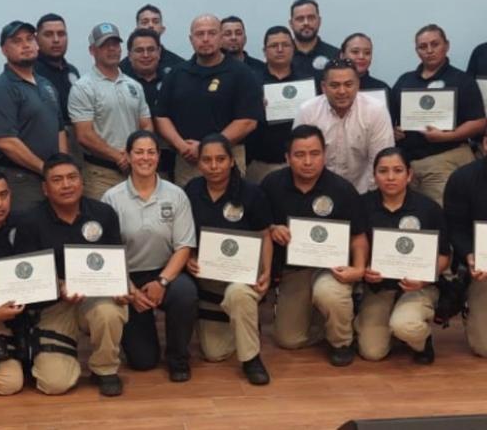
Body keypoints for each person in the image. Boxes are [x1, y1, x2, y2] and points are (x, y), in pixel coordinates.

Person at [0, 170, 80, 395]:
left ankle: (37, 353)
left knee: (55, 383)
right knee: (9, 385)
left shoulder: (25, 222)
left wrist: (60, 285)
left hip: (36, 310)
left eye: (4, 195)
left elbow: (45, 265)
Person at [15, 154, 128, 396]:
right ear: (45, 189)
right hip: (53, 305)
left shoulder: (104, 213)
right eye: (57, 180)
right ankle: (62, 353)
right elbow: (26, 277)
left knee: (109, 312)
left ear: (82, 181)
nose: (66, 185)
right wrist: (58, 285)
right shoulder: (28, 221)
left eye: (72, 178)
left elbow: (115, 262)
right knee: (55, 384)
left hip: (96, 296)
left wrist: (122, 287)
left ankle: (104, 368)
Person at [260, 125, 367, 366]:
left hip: (332, 269)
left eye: (315, 153)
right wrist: (272, 228)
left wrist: (358, 269)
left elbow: (358, 237)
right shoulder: (271, 184)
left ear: (324, 154)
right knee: (288, 339)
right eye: (300, 155)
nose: (308, 161)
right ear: (287, 158)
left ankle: (342, 340)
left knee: (328, 294)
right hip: (293, 270)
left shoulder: (342, 189)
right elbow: (259, 226)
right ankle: (330, 321)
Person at [102, 130, 197, 381]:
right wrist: (130, 291)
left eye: (151, 152)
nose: (146, 158)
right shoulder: (111, 198)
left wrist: (163, 281)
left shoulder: (176, 195)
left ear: (158, 156)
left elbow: (184, 247)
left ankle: (178, 357)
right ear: (128, 156)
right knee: (143, 362)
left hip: (167, 271)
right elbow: (108, 254)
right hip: (127, 276)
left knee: (186, 293)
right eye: (139, 152)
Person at [183, 133, 272, 385]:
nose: (213, 166)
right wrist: (189, 255)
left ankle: (251, 359)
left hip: (242, 276)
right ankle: (242, 321)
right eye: (207, 160)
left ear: (232, 161)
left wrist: (265, 270)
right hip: (207, 278)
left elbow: (265, 235)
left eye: (220, 159)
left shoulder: (251, 192)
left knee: (239, 296)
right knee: (214, 353)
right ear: (199, 163)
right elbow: (184, 233)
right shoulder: (191, 190)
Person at [356, 147, 448, 363]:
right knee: (372, 352)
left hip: (419, 287)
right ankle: (385, 326)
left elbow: (445, 255)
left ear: (409, 175)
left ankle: (420, 341)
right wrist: (365, 271)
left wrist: (424, 278)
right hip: (379, 288)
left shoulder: (429, 209)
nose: (390, 177)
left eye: (397, 171)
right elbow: (355, 246)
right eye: (383, 171)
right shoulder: (361, 205)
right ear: (374, 175)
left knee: (405, 326)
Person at [155, 14, 261, 185]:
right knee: (188, 209)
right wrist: (181, 146)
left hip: (227, 157)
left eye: (211, 33)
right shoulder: (177, 73)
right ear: (191, 39)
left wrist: (207, 148)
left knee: (230, 209)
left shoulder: (241, 73)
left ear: (220, 37)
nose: (205, 39)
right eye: (199, 34)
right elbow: (161, 117)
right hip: (187, 159)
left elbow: (248, 121)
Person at [391, 24, 486, 206]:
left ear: (446, 45)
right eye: (423, 46)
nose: (429, 51)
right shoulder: (405, 80)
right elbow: (392, 118)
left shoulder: (462, 80)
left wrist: (447, 136)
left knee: (441, 218)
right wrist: (394, 131)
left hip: (444, 160)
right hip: (407, 165)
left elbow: (479, 122)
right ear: (417, 50)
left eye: (435, 44)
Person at [0, 21, 67, 211]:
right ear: (4, 50)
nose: (26, 45)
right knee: (27, 235)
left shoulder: (45, 83)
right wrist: (45, 169)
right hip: (20, 180)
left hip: (51, 178)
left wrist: (61, 167)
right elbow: (6, 141)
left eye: (30, 39)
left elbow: (60, 129)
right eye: (17, 41)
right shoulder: (1, 88)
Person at [69, 23, 152, 199]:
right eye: (105, 45)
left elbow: (146, 124)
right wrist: (118, 157)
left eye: (115, 44)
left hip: (136, 172)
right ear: (92, 50)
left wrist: (136, 153)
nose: (112, 49)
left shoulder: (134, 85)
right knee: (103, 224)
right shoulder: (83, 87)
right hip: (101, 175)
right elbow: (84, 135)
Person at [293, 58, 394, 193]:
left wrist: (365, 196)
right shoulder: (308, 111)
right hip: (315, 190)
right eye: (334, 85)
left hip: (364, 191)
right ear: (323, 87)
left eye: (348, 84)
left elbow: (381, 161)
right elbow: (299, 158)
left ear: (358, 85)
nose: (342, 91)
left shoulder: (376, 111)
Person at [246, 26, 316, 184]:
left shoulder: (308, 80)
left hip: (301, 162)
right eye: (273, 46)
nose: (280, 49)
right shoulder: (251, 81)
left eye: (285, 45)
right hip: (260, 163)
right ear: (264, 51)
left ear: (293, 48)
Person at [443, 132, 487, 357]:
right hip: (482, 269)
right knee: (484, 347)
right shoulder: (462, 179)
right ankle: (469, 305)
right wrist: (469, 255)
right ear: (485, 144)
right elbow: (455, 228)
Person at [126, 28, 176, 180]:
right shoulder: (120, 82)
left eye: (151, 50)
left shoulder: (175, 79)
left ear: (159, 52)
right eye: (139, 50)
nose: (146, 55)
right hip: (133, 161)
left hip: (174, 159)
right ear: (129, 55)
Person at [120, 4, 184, 76]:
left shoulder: (179, 66)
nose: (151, 25)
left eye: (155, 22)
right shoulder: (121, 69)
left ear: (162, 29)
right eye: (145, 22)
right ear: (136, 30)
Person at [288, 0, 338, 77]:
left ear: (319, 21)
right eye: (300, 19)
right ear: (291, 24)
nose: (306, 23)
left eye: (311, 18)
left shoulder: (335, 56)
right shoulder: (282, 57)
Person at [340, 33, 390, 99]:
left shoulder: (382, 88)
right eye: (355, 52)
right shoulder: (329, 87)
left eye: (367, 53)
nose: (361, 57)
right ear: (342, 55)